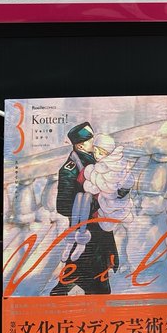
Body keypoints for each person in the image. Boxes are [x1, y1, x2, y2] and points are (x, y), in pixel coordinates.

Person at [51, 122, 119, 295]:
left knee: (81, 271)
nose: (94, 142)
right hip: (85, 231)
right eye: (91, 139)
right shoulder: (70, 169)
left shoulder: (97, 161)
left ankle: (62, 292)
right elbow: (63, 205)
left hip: (99, 229)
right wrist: (93, 203)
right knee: (96, 278)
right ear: (80, 145)